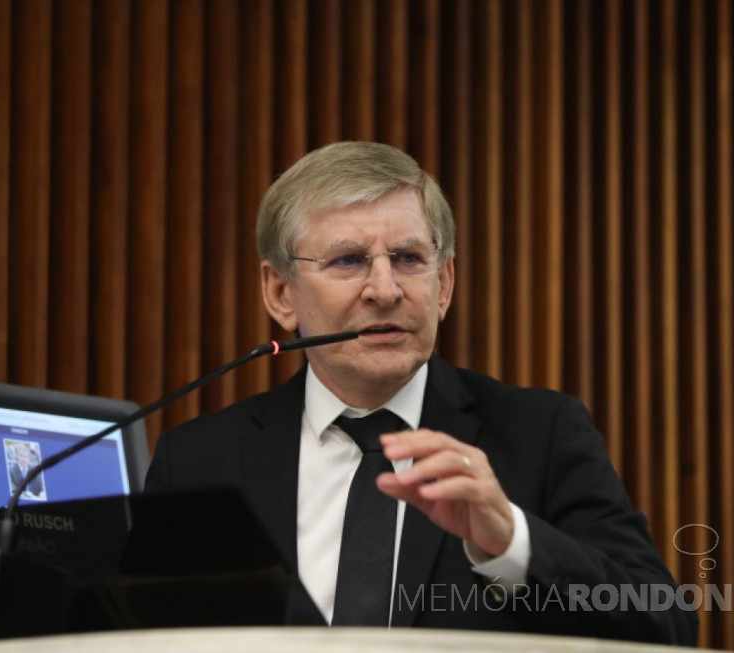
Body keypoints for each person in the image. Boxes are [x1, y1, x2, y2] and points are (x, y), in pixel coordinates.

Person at [145, 141, 698, 644]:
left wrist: (511, 542)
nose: (385, 291)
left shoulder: (540, 433)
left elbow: (665, 625)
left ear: (444, 286)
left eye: (408, 260)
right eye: (348, 261)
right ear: (281, 293)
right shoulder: (197, 461)